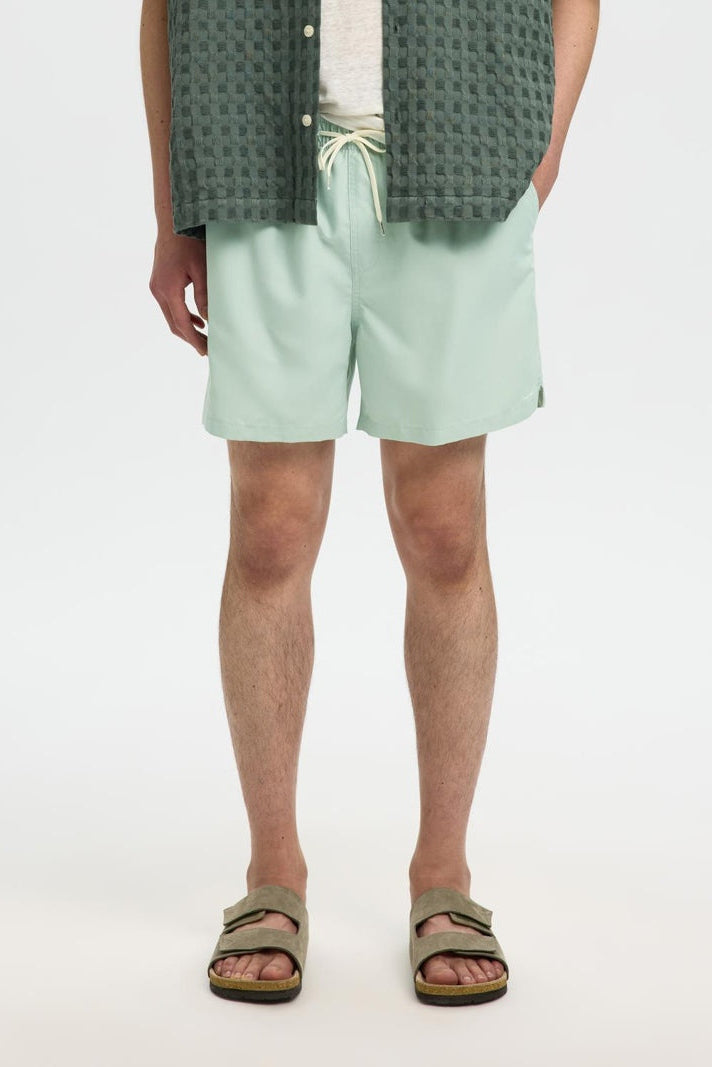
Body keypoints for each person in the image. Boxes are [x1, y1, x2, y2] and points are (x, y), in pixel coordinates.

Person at [140, 0, 599, 1006]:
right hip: (258, 166)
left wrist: (543, 153)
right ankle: (272, 871)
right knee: (269, 530)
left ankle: (445, 873)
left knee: (445, 531)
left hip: (464, 161)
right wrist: (175, 209)